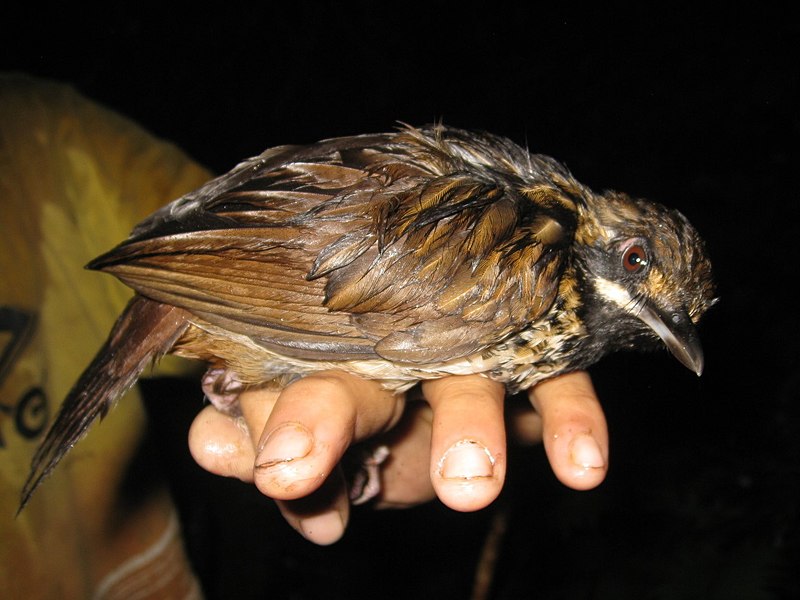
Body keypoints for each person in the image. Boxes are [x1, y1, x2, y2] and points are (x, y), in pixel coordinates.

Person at [0, 72, 609, 596]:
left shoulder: (55, 138)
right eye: (636, 263)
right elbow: (254, 255)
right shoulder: (534, 264)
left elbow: (238, 213)